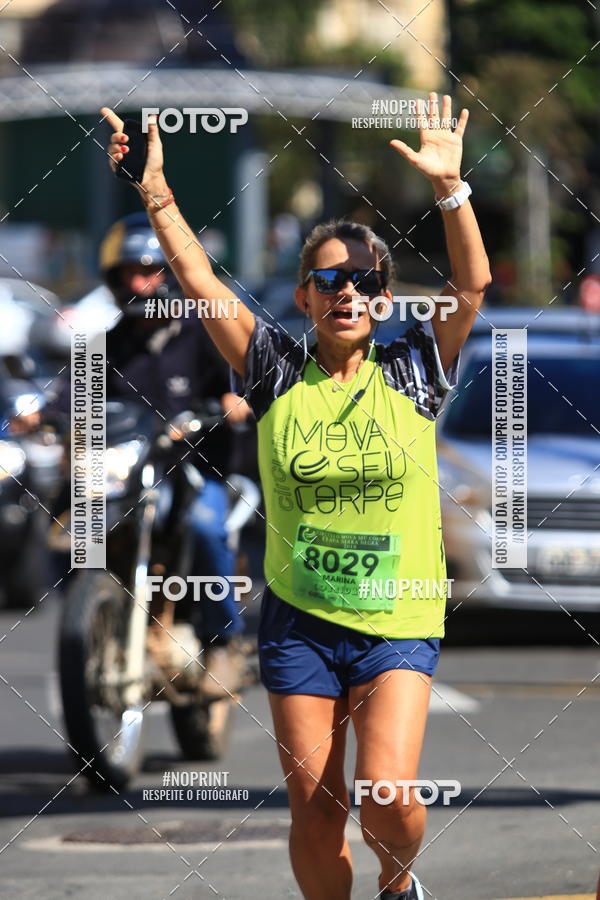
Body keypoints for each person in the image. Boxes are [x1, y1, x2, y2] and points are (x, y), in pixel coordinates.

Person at [102, 91, 491, 900]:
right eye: (329, 279)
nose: (348, 291)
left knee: (388, 796)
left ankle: (397, 878)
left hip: (398, 619)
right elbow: (198, 278)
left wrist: (451, 189)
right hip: (299, 624)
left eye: (366, 281)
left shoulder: (414, 372)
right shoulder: (276, 370)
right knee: (315, 810)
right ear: (307, 298)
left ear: (384, 299)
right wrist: (156, 195)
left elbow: (474, 285)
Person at [15, 213, 252, 700]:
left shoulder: (202, 333)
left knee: (206, 526)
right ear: (116, 279)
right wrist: (40, 414)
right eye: (132, 273)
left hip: (193, 468)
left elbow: (241, 376)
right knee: (73, 510)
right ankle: (94, 611)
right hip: (127, 471)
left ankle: (226, 642)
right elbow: (71, 393)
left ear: (171, 272)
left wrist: (234, 399)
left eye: (153, 270)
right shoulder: (110, 341)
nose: (143, 282)